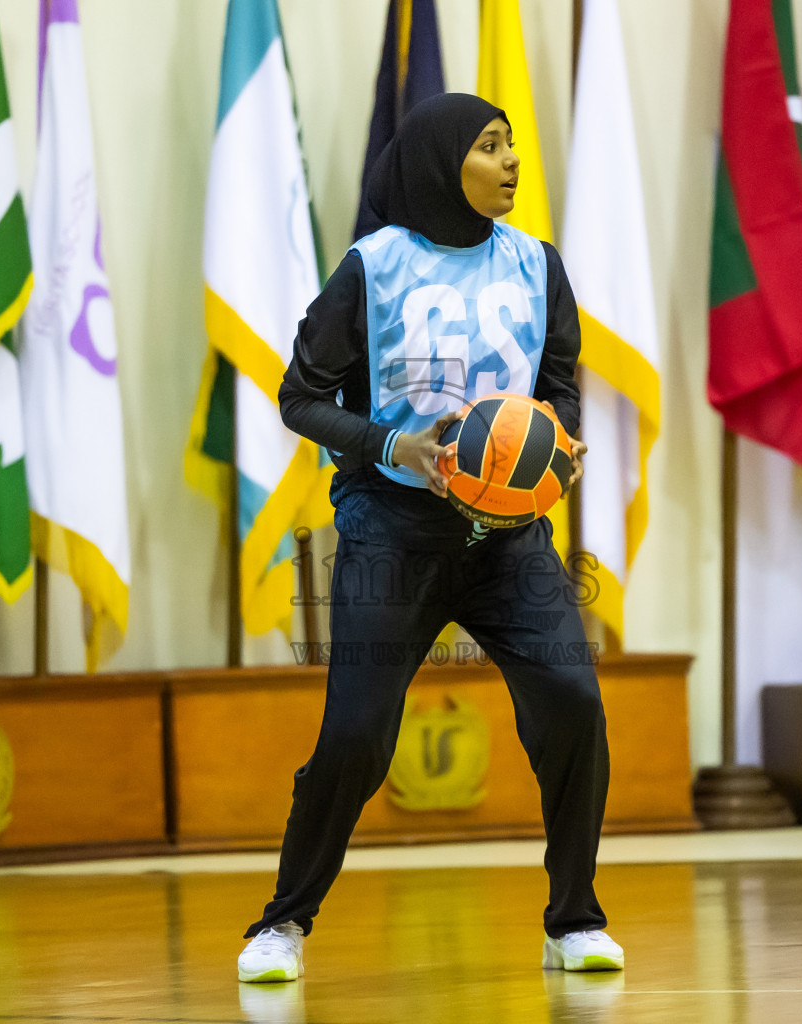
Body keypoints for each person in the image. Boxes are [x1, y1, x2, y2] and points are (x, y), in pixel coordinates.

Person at [236, 93, 622, 984]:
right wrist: (390, 443)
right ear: (443, 162)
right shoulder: (372, 269)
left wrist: (557, 448)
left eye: (514, 144)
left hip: (510, 537)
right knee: (358, 737)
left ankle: (575, 919)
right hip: (393, 529)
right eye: (491, 147)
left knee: (574, 704)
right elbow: (302, 396)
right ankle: (282, 925)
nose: (513, 161)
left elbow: (560, 383)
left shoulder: (537, 264)